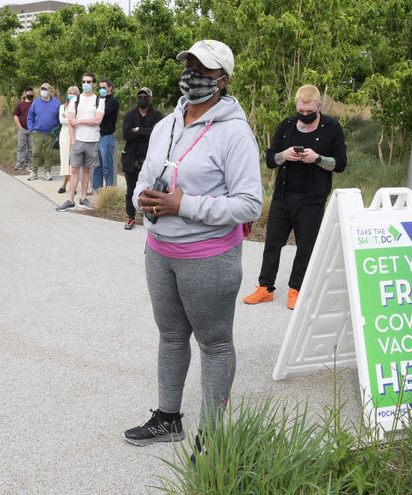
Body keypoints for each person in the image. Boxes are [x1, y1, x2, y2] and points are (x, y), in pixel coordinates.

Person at [123, 40, 262, 451]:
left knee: (214, 344)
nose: (193, 74)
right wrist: (143, 199)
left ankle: (212, 438)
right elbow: (144, 178)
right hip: (159, 251)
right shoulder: (166, 125)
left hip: (209, 259)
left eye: (204, 69)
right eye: (189, 65)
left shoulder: (235, 133)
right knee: (170, 336)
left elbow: (249, 204)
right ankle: (168, 419)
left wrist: (183, 205)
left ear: (224, 80)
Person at [243, 84, 347, 310]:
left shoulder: (332, 128)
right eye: (301, 110)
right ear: (296, 106)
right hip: (283, 195)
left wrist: (317, 159)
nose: (305, 115)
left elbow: (340, 163)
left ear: (319, 106)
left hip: (312, 200)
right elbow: (270, 159)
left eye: (310, 111)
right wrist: (285, 155)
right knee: (272, 243)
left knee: (305, 246)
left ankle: (296, 289)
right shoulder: (287, 125)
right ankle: (265, 287)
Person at [56, 73, 105, 211]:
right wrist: (73, 140)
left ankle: (83, 198)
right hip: (78, 141)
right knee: (74, 171)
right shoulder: (75, 101)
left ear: (94, 84)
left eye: (89, 82)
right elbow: (71, 122)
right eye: (84, 81)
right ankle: (70, 199)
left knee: (87, 171)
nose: (86, 84)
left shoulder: (99, 101)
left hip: (92, 140)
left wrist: (79, 121)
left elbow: (97, 120)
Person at [121, 87, 163, 229]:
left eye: (145, 96)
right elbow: (126, 135)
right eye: (140, 96)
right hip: (131, 158)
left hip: (151, 157)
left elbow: (158, 134)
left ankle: (151, 216)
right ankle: (131, 217)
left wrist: (138, 130)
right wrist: (148, 132)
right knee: (131, 190)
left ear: (150, 98)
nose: (142, 99)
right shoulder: (130, 115)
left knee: (152, 190)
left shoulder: (157, 116)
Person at [26, 83, 62, 181]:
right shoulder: (36, 102)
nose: (43, 91)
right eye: (42, 89)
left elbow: (59, 118)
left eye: (45, 89)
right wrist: (31, 129)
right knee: (36, 152)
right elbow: (30, 117)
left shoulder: (56, 103)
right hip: (37, 132)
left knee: (49, 153)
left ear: (50, 90)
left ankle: (47, 172)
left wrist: (58, 130)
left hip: (50, 133)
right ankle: (34, 172)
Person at [93, 78, 120, 190]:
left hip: (106, 137)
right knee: (96, 166)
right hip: (96, 136)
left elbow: (101, 116)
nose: (101, 90)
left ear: (110, 87)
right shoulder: (98, 100)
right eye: (100, 88)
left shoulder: (113, 102)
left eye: (104, 87)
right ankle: (97, 190)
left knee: (107, 166)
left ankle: (109, 191)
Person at [57, 86, 79, 194]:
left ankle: (64, 185)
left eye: (74, 93)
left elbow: (79, 120)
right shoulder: (62, 106)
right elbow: (62, 120)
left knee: (73, 162)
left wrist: (69, 118)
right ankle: (71, 185)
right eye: (70, 93)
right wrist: (72, 119)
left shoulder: (79, 106)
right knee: (65, 160)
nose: (72, 95)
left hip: (76, 134)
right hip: (65, 135)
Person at [13, 87, 34, 170]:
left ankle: (29, 164)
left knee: (31, 148)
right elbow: (15, 116)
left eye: (32, 94)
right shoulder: (20, 104)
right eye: (29, 94)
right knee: (21, 147)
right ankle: (19, 163)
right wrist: (20, 127)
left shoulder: (35, 104)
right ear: (25, 94)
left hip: (32, 129)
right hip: (22, 129)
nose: (31, 95)